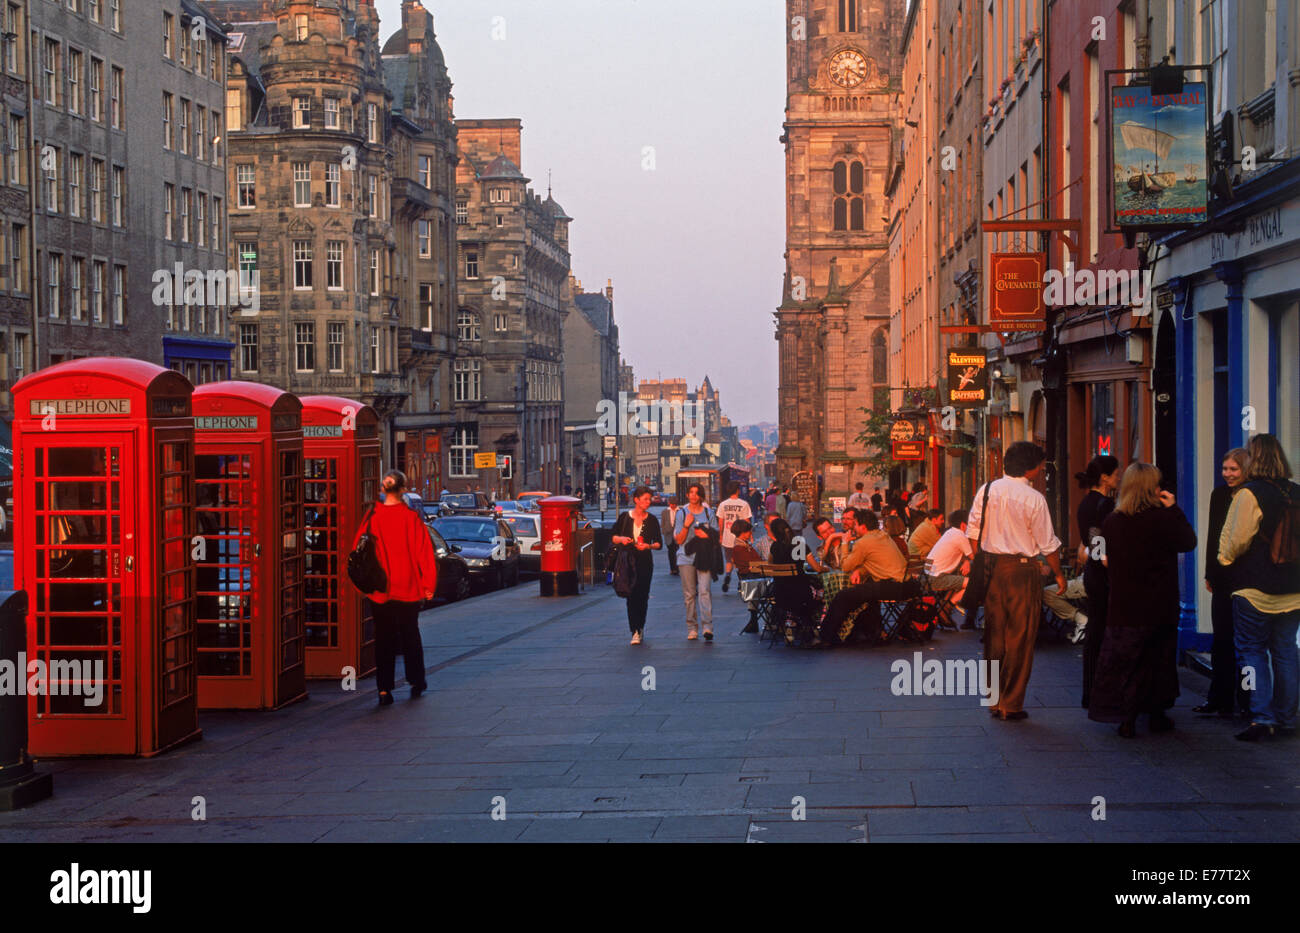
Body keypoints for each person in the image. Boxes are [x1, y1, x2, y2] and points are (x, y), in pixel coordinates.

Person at [1089, 463, 1197, 737]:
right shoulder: (1162, 518)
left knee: (1126, 659)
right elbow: (1188, 542)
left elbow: (1100, 554)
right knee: (1158, 658)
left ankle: (1126, 716)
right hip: (1158, 601)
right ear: (1152, 488)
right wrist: (1173, 508)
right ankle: (1157, 713)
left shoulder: (1113, 520)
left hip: (1125, 601)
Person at [968, 442, 1065, 721]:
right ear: (1031, 468)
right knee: (1020, 637)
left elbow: (973, 533)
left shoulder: (986, 491)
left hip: (992, 568)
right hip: (1022, 570)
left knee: (994, 635)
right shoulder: (1034, 498)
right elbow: (1048, 544)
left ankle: (994, 698)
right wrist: (1057, 573)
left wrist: (983, 561)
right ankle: (1011, 703)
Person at [1218, 433, 1300, 741]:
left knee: (1251, 652)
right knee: (1286, 652)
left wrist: (1224, 562)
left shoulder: (1249, 493)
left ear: (1254, 459)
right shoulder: (1296, 491)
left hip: (1254, 586)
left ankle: (1261, 716)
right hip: (1293, 588)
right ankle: (1287, 719)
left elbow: (1236, 538)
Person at [353, 470, 437, 706]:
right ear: (403, 490)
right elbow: (424, 554)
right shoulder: (411, 519)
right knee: (411, 635)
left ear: (382, 489)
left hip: (380, 590)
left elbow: (356, 553)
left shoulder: (372, 517)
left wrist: (359, 584)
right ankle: (416, 680)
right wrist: (428, 585)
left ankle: (384, 689)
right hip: (408, 586)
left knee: (384, 638)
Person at [1198, 447, 1251, 718]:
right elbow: (1214, 535)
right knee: (1221, 640)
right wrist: (1209, 572)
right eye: (1225, 469)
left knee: (1244, 643)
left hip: (1244, 579)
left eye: (1233, 469)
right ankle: (1218, 697)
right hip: (1221, 578)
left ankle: (1246, 699)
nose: (1228, 474)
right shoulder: (1219, 495)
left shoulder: (1250, 496)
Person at [813, 510, 910, 646]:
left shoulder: (863, 542)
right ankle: (864, 631)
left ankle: (826, 637)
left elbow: (846, 566)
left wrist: (845, 543)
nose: (854, 528)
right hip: (905, 584)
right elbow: (873, 560)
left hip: (893, 586)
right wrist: (860, 571)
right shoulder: (882, 535)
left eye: (856, 524)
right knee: (859, 594)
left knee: (843, 596)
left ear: (863, 526)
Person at [1076, 454, 1121, 708]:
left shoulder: (1086, 502)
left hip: (1092, 572)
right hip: (1102, 573)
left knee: (1095, 629)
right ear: (1104, 477)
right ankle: (1098, 689)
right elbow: (1097, 536)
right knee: (1101, 630)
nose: (1119, 477)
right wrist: (1104, 556)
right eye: (1116, 473)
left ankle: (1090, 689)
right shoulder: (1103, 503)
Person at [612, 486, 663, 646]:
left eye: (649, 499)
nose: (648, 502)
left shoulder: (652, 520)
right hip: (627, 561)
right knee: (631, 595)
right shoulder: (624, 517)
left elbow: (659, 543)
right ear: (636, 500)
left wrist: (648, 546)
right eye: (645, 499)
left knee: (642, 595)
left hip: (644, 562)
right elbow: (613, 537)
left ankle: (640, 627)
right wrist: (621, 539)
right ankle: (634, 630)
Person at [674, 483, 717, 641]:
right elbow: (678, 539)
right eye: (691, 492)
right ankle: (692, 627)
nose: (693, 495)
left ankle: (707, 626)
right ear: (687, 495)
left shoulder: (708, 512)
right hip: (685, 557)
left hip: (704, 556)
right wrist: (686, 526)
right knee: (689, 594)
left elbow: (715, 535)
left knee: (705, 591)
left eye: (697, 493)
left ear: (701, 496)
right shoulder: (682, 514)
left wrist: (706, 535)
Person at [926, 509, 973, 604]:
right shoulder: (960, 536)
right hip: (936, 579)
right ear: (963, 525)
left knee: (958, 577)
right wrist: (968, 560)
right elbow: (974, 557)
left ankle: (945, 605)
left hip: (927, 576)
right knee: (973, 584)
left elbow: (964, 554)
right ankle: (948, 605)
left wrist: (966, 561)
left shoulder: (949, 532)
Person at [716, 482, 753, 593]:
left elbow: (721, 522)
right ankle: (741, 583)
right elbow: (747, 521)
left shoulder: (723, 504)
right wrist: (750, 536)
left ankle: (728, 575)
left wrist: (721, 536)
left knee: (729, 560)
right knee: (741, 561)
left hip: (727, 537)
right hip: (740, 537)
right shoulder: (744, 504)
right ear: (738, 490)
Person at [660, 496, 681, 576]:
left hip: (678, 534)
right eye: (671, 504)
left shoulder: (680, 511)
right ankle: (672, 569)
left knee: (677, 552)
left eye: (674, 504)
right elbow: (663, 523)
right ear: (669, 503)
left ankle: (677, 568)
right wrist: (664, 531)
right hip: (668, 535)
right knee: (670, 552)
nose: (673, 506)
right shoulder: (664, 512)